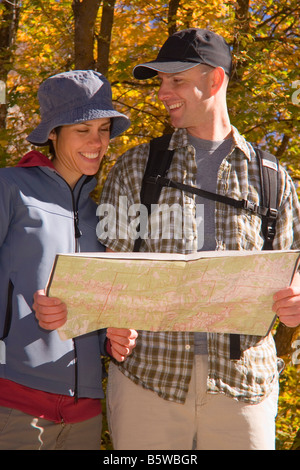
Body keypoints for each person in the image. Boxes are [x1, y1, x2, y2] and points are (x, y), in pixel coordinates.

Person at [97, 29, 300, 450]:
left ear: (214, 81)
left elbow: (294, 267)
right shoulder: (137, 166)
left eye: (175, 81)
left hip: (245, 386)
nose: (161, 93)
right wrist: (112, 320)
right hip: (146, 383)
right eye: (159, 82)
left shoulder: (272, 176)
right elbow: (106, 271)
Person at [0, 70, 137, 450]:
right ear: (53, 134)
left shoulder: (103, 215)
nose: (97, 142)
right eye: (82, 129)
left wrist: (114, 337)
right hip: (13, 405)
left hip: (86, 415)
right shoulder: (10, 188)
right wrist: (26, 310)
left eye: (104, 129)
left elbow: (102, 305)